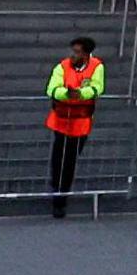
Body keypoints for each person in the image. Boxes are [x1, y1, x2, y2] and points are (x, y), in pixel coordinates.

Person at [45, 35, 105, 216]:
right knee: (59, 159)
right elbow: (52, 88)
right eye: (73, 51)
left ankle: (62, 192)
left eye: (77, 52)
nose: (73, 55)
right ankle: (58, 193)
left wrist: (80, 94)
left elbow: (97, 88)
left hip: (81, 122)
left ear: (86, 54)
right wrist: (66, 94)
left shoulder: (97, 67)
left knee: (70, 159)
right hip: (61, 120)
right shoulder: (62, 66)